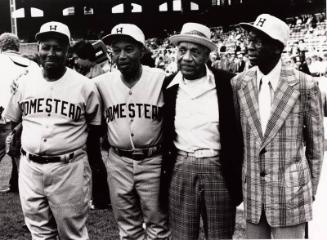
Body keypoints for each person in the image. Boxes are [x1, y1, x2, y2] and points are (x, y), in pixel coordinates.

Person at [4, 21, 102, 239]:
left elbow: (95, 130)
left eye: (57, 47)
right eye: (45, 46)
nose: (51, 53)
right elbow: (14, 120)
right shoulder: (24, 82)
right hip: (30, 167)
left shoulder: (85, 86)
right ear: (38, 48)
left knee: (72, 234)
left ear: (67, 50)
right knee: (39, 233)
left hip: (68, 167)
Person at [231, 14, 324, 239]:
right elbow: (239, 138)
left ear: (277, 47)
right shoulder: (239, 83)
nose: (249, 46)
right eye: (249, 39)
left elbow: (316, 146)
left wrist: (308, 189)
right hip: (254, 194)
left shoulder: (305, 85)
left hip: (291, 195)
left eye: (258, 41)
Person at [162, 22, 243, 239]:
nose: (187, 58)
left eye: (195, 52)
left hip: (217, 167)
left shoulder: (227, 83)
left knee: (219, 235)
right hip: (181, 166)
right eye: (182, 50)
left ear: (207, 55)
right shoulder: (168, 86)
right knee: (182, 235)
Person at [94, 23, 170, 240]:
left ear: (142, 50)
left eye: (129, 49)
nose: (121, 56)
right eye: (116, 50)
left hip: (153, 160)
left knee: (158, 227)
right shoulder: (100, 83)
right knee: (127, 229)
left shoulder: (161, 78)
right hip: (118, 162)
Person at [70, 39, 110, 210]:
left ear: (87, 58)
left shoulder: (97, 74)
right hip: (90, 121)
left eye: (78, 58)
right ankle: (99, 196)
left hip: (93, 122)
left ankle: (100, 198)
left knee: (94, 159)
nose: (75, 62)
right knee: (93, 159)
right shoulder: (92, 71)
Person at [0, 32, 38, 194]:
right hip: (23, 115)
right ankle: (20, 186)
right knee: (20, 152)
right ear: (17, 46)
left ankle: (17, 186)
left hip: (2, 112)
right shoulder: (32, 65)